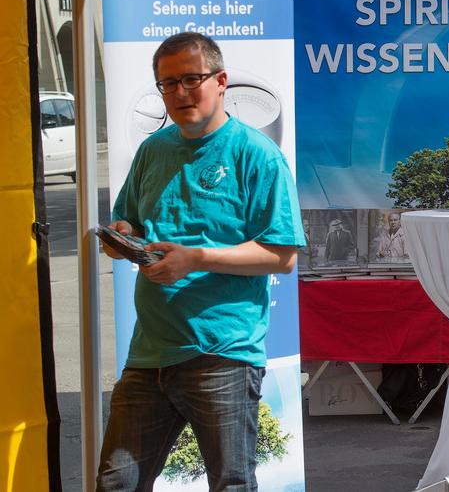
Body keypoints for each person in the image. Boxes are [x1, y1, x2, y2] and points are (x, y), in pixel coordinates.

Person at [96, 32, 305, 490]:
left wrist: (195, 259)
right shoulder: (153, 150)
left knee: (230, 484)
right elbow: (128, 220)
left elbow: (282, 255)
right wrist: (122, 238)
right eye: (167, 84)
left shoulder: (257, 155)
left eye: (191, 78)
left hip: (222, 353)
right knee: (116, 482)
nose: (179, 93)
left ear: (222, 81)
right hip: (149, 353)